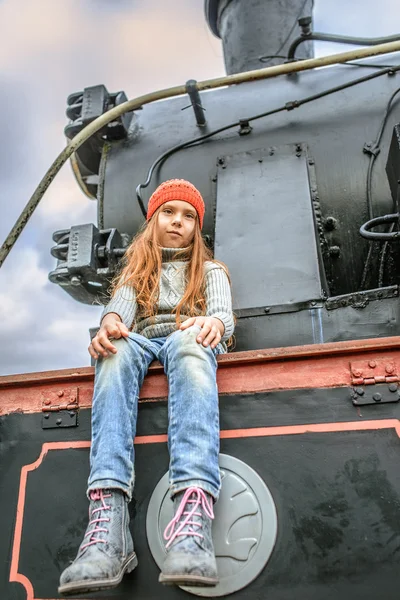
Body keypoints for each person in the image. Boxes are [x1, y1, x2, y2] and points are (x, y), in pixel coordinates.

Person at [58, 179, 235, 595]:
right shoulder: (137, 274)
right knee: (115, 353)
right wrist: (109, 326)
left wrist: (213, 323)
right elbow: (116, 314)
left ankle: (193, 524)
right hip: (143, 341)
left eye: (188, 216)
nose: (178, 222)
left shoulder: (210, 271)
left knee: (192, 345)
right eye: (169, 213)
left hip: (185, 335)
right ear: (153, 220)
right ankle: (108, 531)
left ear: (197, 226)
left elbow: (223, 316)